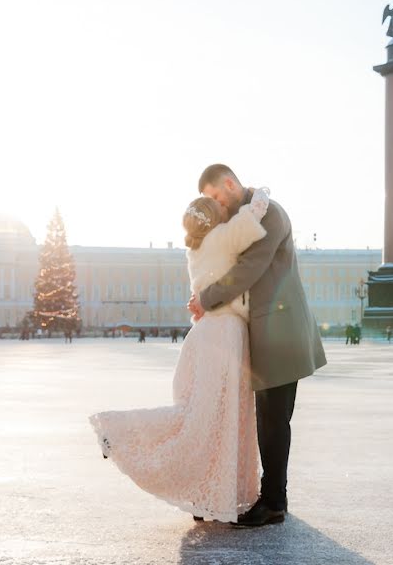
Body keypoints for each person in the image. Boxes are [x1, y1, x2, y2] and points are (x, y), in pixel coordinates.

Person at [91, 185, 273, 524]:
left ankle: (201, 493)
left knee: (199, 415)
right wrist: (257, 192)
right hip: (225, 335)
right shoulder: (223, 239)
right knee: (216, 418)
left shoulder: (197, 250)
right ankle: (118, 431)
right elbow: (255, 213)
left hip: (204, 334)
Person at [188, 164, 326, 526]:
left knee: (273, 420)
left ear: (231, 184)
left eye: (218, 196)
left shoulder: (271, 214)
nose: (217, 204)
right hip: (264, 333)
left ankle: (274, 502)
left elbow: (249, 267)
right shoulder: (245, 216)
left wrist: (207, 298)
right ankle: (246, 494)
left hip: (280, 332)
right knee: (262, 418)